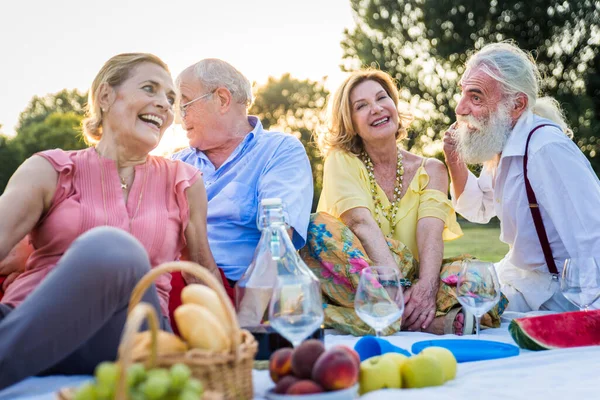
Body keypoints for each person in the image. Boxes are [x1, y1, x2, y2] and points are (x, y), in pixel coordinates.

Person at [0, 53, 219, 389]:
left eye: (171, 99)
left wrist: (232, 341)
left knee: (113, 249)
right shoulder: (49, 169)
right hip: (24, 319)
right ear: (104, 96)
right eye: (150, 89)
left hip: (129, 338)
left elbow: (202, 276)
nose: (164, 104)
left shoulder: (185, 182)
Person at [303, 69, 505, 336]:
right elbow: (359, 223)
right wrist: (393, 283)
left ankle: (385, 315)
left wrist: (427, 286)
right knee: (315, 228)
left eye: (381, 98)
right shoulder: (341, 159)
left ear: (394, 106)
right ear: (350, 121)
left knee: (478, 280)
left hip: (415, 277)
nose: (375, 108)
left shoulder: (432, 169)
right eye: (361, 106)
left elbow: (430, 234)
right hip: (362, 276)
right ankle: (425, 321)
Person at [443, 42, 600, 312]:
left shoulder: (546, 148)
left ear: (516, 105)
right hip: (521, 284)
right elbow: (479, 209)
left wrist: (589, 321)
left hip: (557, 298)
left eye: (476, 97)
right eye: (463, 93)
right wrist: (453, 158)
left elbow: (593, 239)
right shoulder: (504, 144)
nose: (460, 108)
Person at [172, 59, 313, 289]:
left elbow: (277, 240)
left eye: (185, 105)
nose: (179, 119)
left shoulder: (279, 150)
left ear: (222, 99)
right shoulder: (176, 163)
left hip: (235, 289)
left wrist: (245, 317)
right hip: (171, 279)